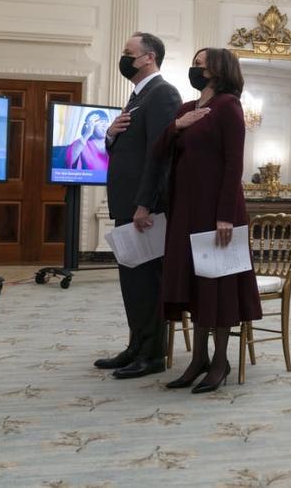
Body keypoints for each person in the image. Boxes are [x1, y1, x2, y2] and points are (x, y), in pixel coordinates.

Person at [155, 47, 261, 394]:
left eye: (200, 65)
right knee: (193, 285)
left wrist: (225, 216)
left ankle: (219, 361)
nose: (194, 69)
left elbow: (234, 165)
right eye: (194, 64)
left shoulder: (228, 106)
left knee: (217, 286)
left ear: (217, 70)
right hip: (185, 210)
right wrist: (176, 126)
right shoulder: (187, 109)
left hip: (217, 212)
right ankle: (197, 358)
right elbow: (158, 151)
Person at [95, 33, 182, 379]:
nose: (123, 57)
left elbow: (160, 155)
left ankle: (153, 354)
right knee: (132, 281)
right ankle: (135, 346)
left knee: (147, 283)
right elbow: (127, 149)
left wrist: (146, 203)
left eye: (127, 52)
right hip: (127, 205)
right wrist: (110, 135)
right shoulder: (137, 97)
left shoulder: (163, 94)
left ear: (148, 58)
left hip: (144, 209)